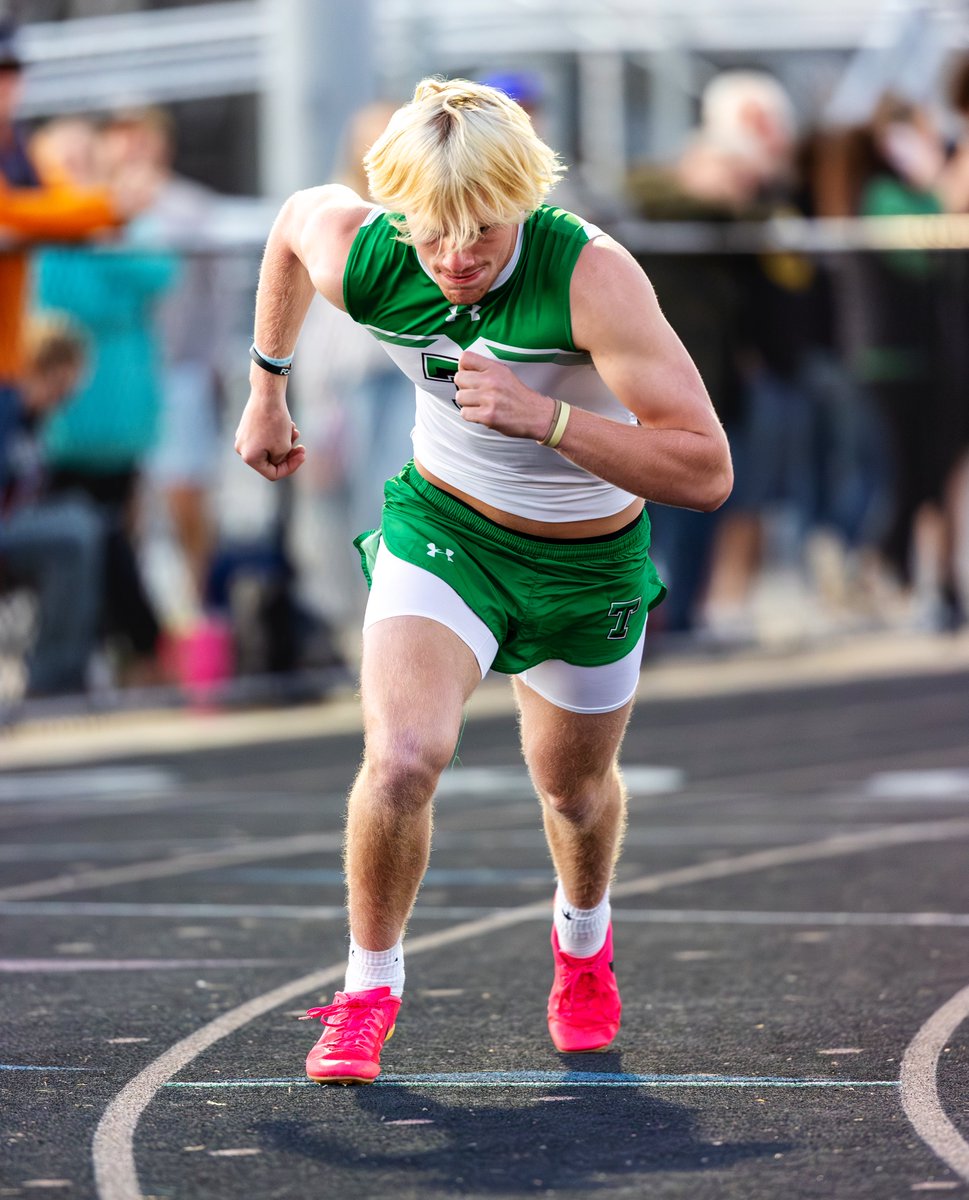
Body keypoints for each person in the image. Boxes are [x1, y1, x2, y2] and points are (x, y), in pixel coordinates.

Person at [234, 77, 732, 1084]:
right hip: (446, 530)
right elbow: (292, 226)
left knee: (572, 791)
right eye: (433, 235)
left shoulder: (590, 275)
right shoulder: (373, 254)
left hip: (586, 560)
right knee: (402, 758)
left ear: (521, 204)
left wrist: (549, 419)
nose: (456, 257)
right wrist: (266, 388)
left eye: (481, 234)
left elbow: (705, 469)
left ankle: (582, 940)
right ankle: (367, 989)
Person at [0, 312, 104, 698]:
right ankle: (50, 677)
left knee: (90, 527)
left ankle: (73, 669)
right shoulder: (7, 405)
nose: (61, 402)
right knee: (76, 528)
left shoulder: (34, 422)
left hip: (16, 528)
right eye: (59, 389)